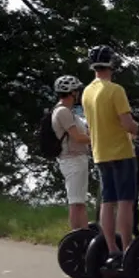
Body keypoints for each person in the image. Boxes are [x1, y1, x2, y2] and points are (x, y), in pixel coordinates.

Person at [81, 45, 139, 270]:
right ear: (112, 65)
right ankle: (127, 247)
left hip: (100, 152)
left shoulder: (87, 91)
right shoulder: (115, 90)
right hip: (121, 152)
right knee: (125, 202)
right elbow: (127, 124)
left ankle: (111, 248)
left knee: (107, 202)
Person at [51, 75, 91, 230]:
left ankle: (84, 233)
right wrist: (98, 140)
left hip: (77, 160)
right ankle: (76, 235)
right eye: (77, 90)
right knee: (75, 202)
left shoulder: (67, 111)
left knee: (80, 202)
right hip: (72, 160)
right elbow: (78, 137)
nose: (78, 93)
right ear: (72, 92)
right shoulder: (63, 112)